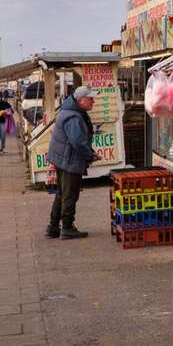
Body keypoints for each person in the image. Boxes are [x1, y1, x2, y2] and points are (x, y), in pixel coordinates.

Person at [45, 86, 101, 239]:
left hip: (62, 158)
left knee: (62, 193)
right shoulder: (74, 117)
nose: (93, 101)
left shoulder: (69, 111)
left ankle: (53, 227)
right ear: (80, 100)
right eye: (90, 99)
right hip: (69, 160)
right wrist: (89, 155)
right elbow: (77, 142)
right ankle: (67, 228)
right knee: (70, 195)